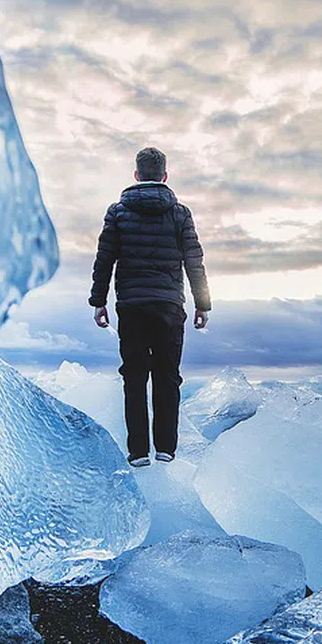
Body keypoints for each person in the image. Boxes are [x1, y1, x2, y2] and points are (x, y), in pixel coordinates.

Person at [89, 146, 212, 466]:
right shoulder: (180, 213)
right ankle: (166, 449)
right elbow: (194, 261)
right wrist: (203, 304)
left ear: (136, 175)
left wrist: (99, 301)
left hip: (131, 306)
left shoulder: (117, 212)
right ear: (165, 176)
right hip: (170, 306)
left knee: (134, 377)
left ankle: (138, 451)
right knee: (167, 376)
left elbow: (105, 260)